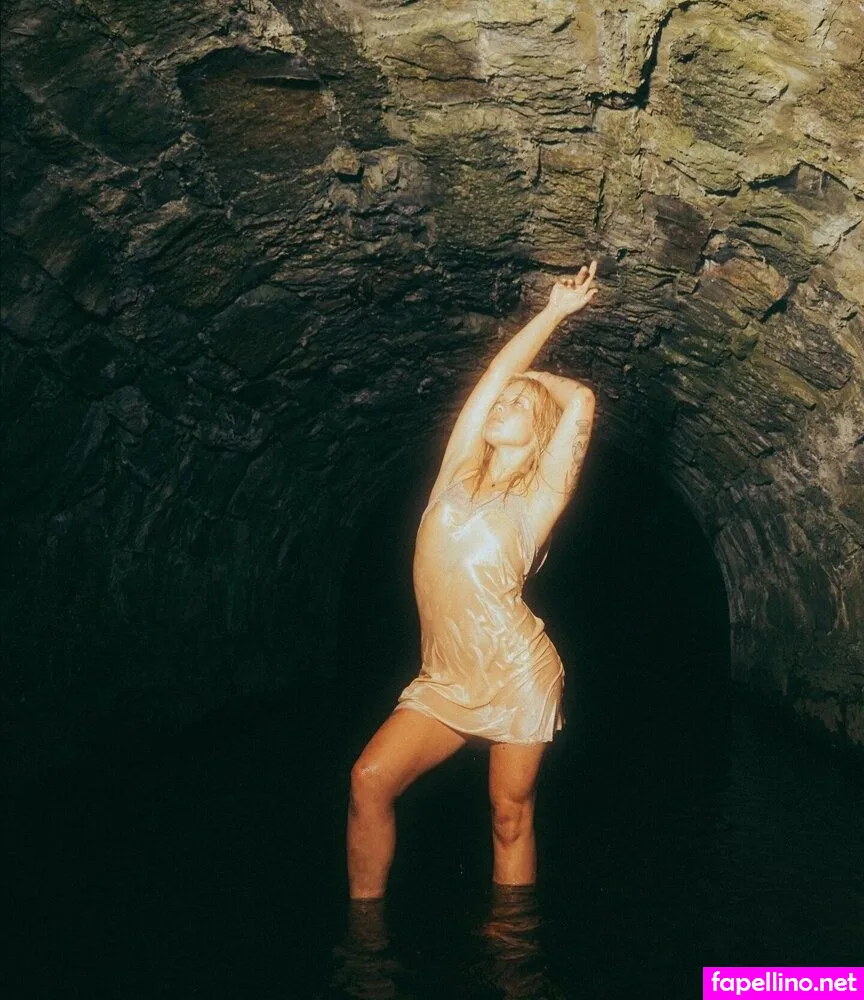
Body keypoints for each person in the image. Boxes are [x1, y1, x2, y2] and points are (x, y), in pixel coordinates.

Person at [347, 261, 599, 900]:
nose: (503, 403)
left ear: (539, 432)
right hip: (444, 677)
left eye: (519, 405)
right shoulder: (455, 470)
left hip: (516, 673)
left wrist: (537, 378)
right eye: (502, 400)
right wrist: (548, 315)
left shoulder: (539, 498)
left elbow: (582, 401)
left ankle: (511, 949)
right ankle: (363, 935)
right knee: (369, 779)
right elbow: (492, 378)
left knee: (508, 816)